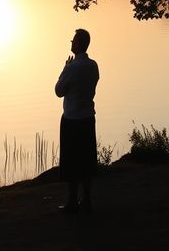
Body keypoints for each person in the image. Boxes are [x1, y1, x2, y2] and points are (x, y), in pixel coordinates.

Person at [54, 28, 99, 214]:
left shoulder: (71, 68)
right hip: (88, 118)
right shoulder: (93, 65)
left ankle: (72, 201)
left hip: (72, 120)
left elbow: (59, 91)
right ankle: (86, 200)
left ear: (78, 44)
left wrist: (64, 69)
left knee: (71, 161)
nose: (71, 43)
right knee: (87, 159)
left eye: (73, 41)